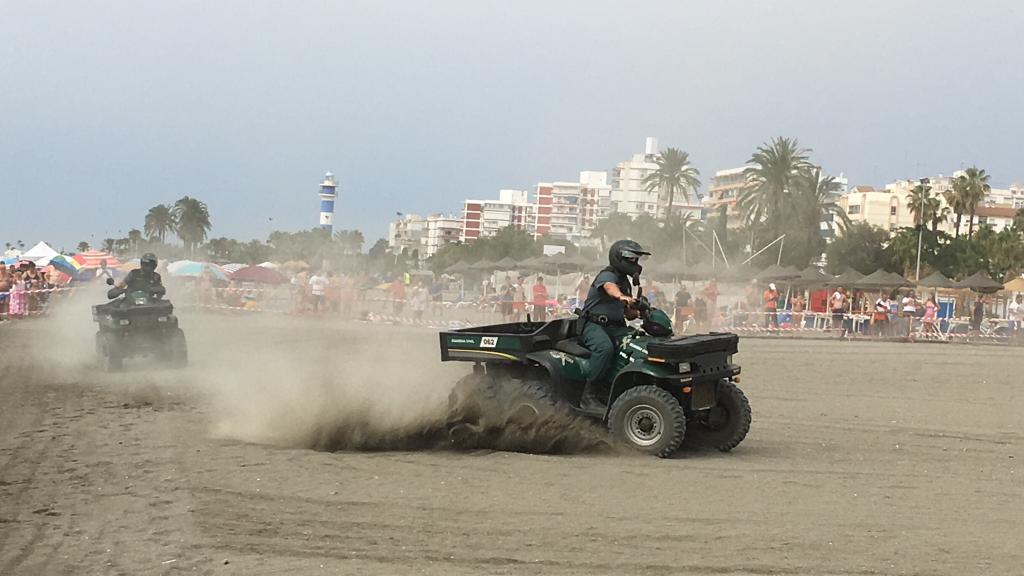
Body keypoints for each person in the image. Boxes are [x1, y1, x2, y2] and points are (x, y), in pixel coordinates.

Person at [577, 240, 650, 411]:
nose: (635, 264)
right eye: (631, 259)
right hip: (594, 325)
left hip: (616, 326)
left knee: (638, 344)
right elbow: (610, 289)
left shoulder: (624, 282)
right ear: (619, 258)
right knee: (604, 348)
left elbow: (629, 315)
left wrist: (641, 310)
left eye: (636, 260)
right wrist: (622, 297)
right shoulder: (608, 275)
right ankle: (589, 395)